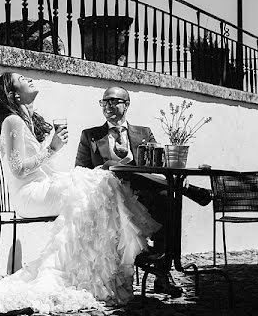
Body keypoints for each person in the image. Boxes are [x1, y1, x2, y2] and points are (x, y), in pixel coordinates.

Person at [0, 72, 161, 315]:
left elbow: (36, 166)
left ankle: (95, 269)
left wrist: (52, 150)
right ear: (14, 94)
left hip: (42, 187)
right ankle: (95, 271)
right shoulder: (13, 121)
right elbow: (18, 169)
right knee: (98, 182)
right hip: (30, 194)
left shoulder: (25, 120)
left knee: (99, 183)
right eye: (21, 78)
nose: (29, 78)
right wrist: (52, 148)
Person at [75, 86, 213, 296]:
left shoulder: (144, 132)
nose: (108, 106)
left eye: (113, 101)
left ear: (126, 105)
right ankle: (185, 188)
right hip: (111, 194)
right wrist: (105, 168)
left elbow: (159, 165)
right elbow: (80, 170)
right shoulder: (91, 135)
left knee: (168, 200)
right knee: (158, 188)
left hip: (143, 191)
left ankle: (162, 270)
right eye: (104, 102)